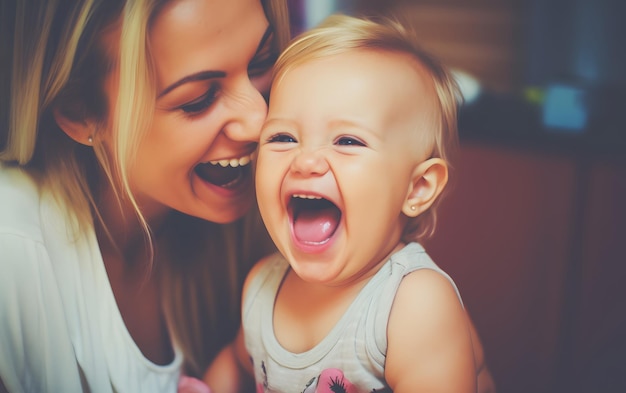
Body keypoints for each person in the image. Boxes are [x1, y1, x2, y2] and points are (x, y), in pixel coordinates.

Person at [0, 0, 291, 391]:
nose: (259, 122)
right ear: (81, 110)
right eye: (198, 98)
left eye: (261, 62)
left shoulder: (279, 215)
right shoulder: (12, 251)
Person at [203, 14, 497, 393]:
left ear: (417, 188)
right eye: (283, 137)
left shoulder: (413, 305)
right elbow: (235, 361)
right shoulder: (262, 286)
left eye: (347, 141)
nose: (306, 160)